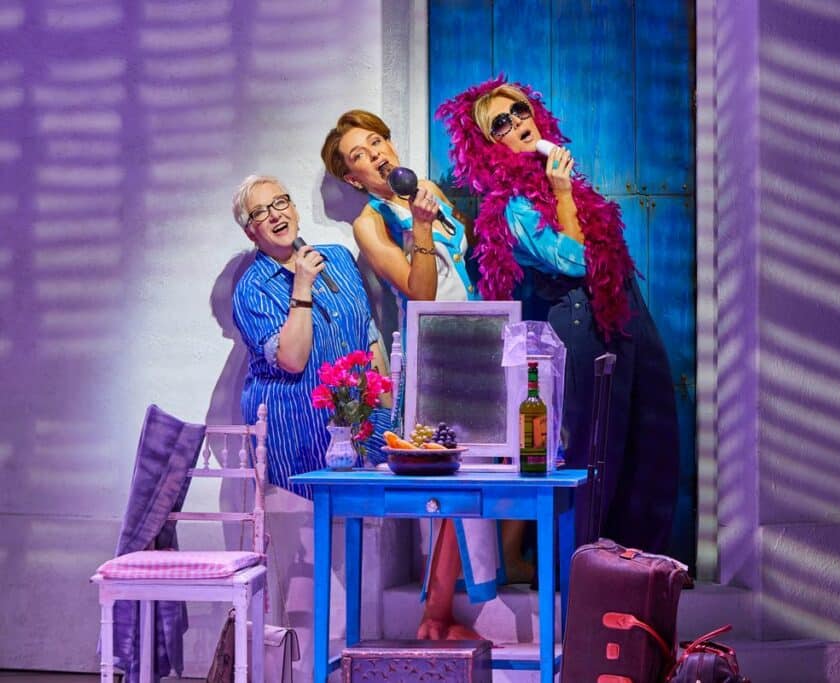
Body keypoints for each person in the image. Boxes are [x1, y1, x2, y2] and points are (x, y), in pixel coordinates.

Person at [437, 78, 680, 555]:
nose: (516, 122)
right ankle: (583, 570)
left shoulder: (551, 182)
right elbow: (577, 261)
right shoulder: (511, 206)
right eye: (500, 123)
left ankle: (634, 564)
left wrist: (564, 191)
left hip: (620, 308)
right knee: (594, 448)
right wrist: (562, 192)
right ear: (489, 145)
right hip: (579, 319)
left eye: (520, 111)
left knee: (645, 437)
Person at [321, 111, 510, 640]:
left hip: (478, 342)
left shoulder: (427, 190)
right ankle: (435, 615)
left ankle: (445, 609)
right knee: (454, 483)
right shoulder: (371, 222)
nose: (376, 155)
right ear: (354, 177)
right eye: (360, 155)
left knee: (484, 477)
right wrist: (421, 227)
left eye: (377, 142)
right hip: (435, 353)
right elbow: (421, 292)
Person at [231, 173, 391, 678]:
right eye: (261, 212)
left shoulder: (337, 258)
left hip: (358, 443)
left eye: (280, 202)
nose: (275, 215)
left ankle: (356, 672)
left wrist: (389, 408)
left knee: (359, 578)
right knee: (308, 592)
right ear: (250, 231)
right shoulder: (253, 289)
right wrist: (301, 287)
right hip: (295, 452)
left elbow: (368, 339)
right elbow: (293, 358)